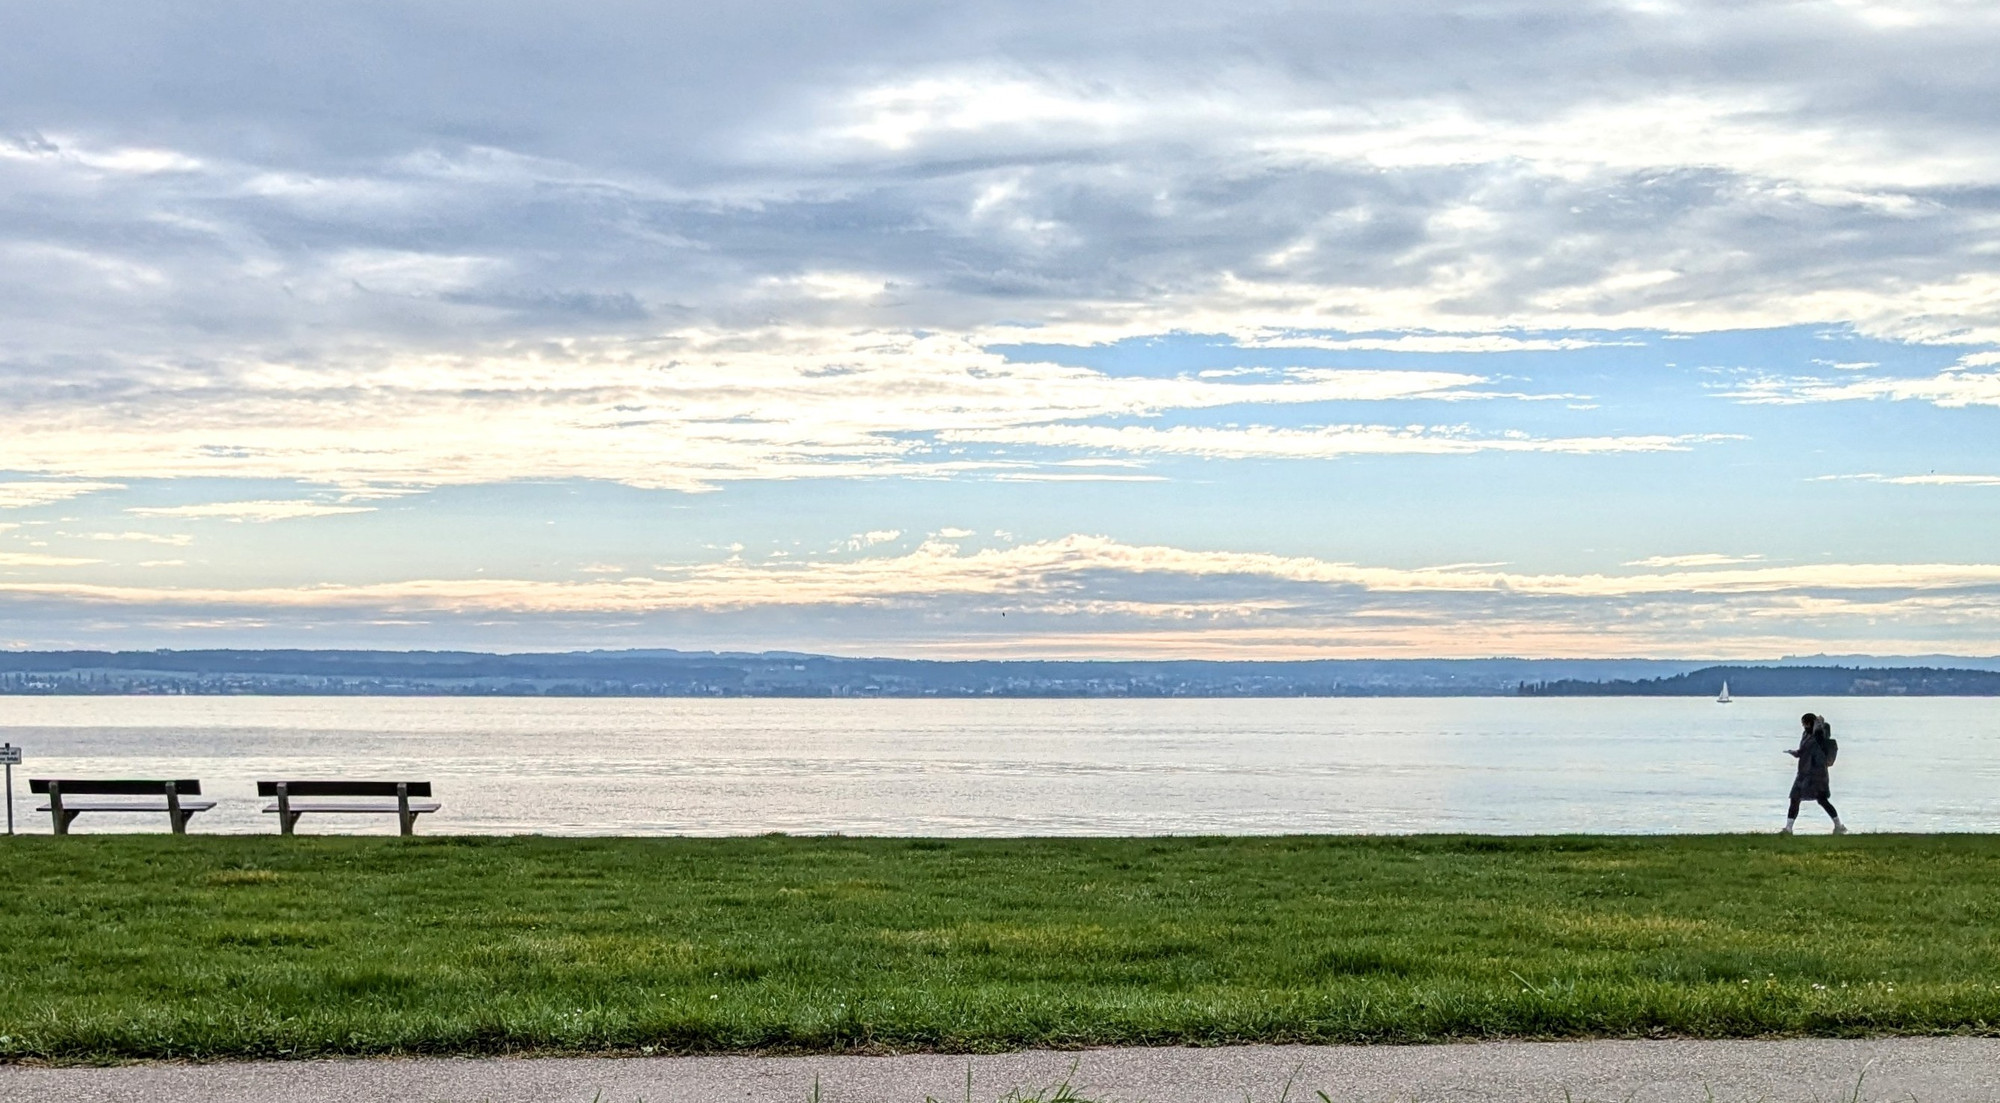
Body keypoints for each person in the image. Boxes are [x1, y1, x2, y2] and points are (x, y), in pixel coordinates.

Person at [1783, 712, 1845, 835]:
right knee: (1795, 799)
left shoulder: (1820, 734)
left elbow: (1821, 737)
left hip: (1817, 774)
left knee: (1822, 800)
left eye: (1804, 723)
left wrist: (1819, 724)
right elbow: (1803, 751)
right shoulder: (1806, 734)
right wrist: (1795, 752)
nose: (1803, 726)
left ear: (1810, 723)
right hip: (1804, 772)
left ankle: (1839, 825)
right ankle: (1788, 828)